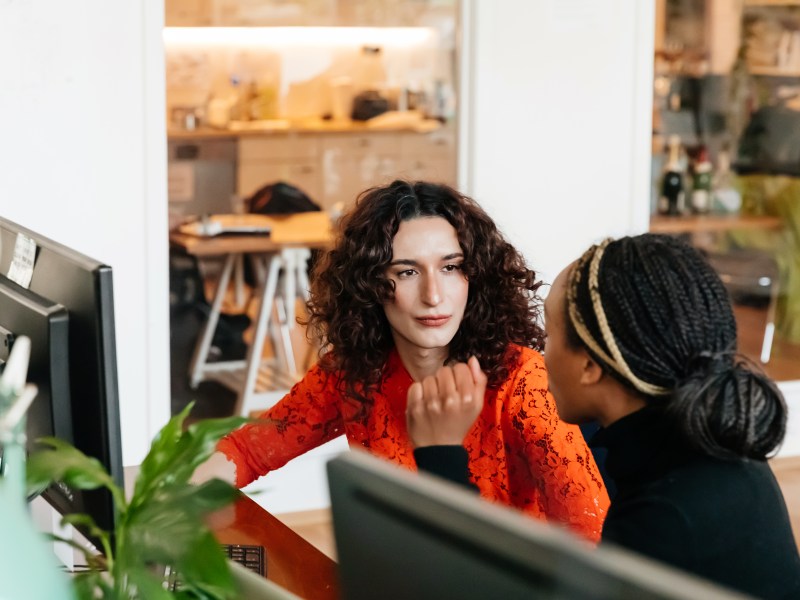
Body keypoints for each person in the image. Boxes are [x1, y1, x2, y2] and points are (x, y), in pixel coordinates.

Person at [212, 180, 609, 542]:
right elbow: (246, 452)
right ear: (370, 286)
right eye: (406, 272)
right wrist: (159, 497)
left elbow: (593, 544)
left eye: (451, 268)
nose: (434, 295)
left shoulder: (522, 382)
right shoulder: (351, 374)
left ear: (476, 276)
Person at [412, 233, 800, 598]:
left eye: (549, 338)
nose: (542, 358)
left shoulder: (664, 520)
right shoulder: (712, 442)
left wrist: (440, 452)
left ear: (590, 366)